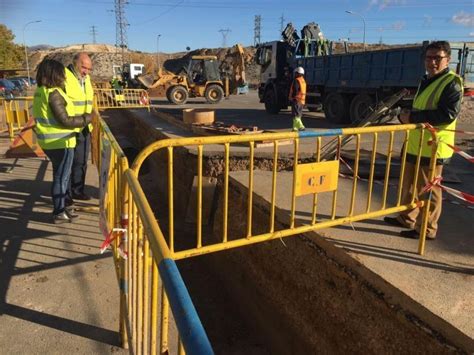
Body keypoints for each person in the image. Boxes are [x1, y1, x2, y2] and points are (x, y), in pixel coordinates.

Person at [384, 41, 463, 240]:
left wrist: (413, 118)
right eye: (429, 58)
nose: (432, 62)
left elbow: (447, 114)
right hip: (416, 143)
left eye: (438, 58)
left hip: (434, 147)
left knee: (430, 190)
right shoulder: (426, 79)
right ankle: (407, 218)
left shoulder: (452, 82)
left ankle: (427, 228)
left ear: (448, 59)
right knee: (409, 185)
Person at [33, 59, 92, 223]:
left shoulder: (40, 90)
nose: (63, 76)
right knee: (61, 178)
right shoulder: (53, 93)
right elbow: (65, 120)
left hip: (49, 141)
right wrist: (87, 118)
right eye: (61, 73)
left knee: (61, 176)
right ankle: (59, 211)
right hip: (61, 142)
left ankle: (62, 209)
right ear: (54, 74)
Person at [65, 52, 94, 202]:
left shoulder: (86, 79)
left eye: (89, 69)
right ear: (75, 63)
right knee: (68, 163)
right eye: (84, 68)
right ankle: (66, 195)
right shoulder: (64, 77)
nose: (86, 72)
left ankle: (78, 190)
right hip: (68, 128)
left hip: (84, 127)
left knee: (81, 162)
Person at [289, 66, 307, 131]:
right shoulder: (303, 80)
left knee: (295, 114)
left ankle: (301, 126)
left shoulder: (296, 80)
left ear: (298, 73)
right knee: (298, 114)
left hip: (296, 99)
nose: (295, 74)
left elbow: (295, 90)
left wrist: (292, 97)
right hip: (302, 101)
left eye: (296, 73)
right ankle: (295, 127)